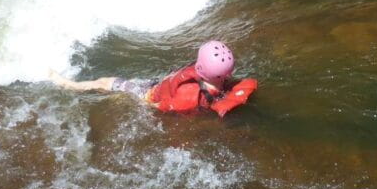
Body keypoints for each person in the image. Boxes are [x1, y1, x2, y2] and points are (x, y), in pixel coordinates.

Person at [49, 41, 257, 117]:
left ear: (200, 67)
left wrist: (139, 102)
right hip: (160, 86)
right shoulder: (225, 83)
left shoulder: (188, 94)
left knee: (106, 82)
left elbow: (159, 107)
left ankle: (69, 85)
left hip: (147, 95)